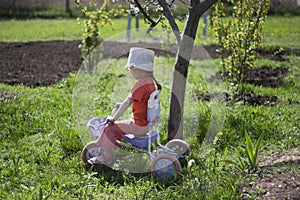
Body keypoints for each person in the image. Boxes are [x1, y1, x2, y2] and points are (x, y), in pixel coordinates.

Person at [88, 47, 161, 166]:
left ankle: (105, 157)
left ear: (138, 69)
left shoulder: (140, 85)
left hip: (139, 125)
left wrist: (113, 119)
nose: (130, 72)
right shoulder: (151, 82)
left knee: (110, 128)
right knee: (119, 127)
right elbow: (139, 102)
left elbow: (127, 103)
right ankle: (112, 147)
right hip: (148, 124)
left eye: (130, 69)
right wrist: (120, 105)